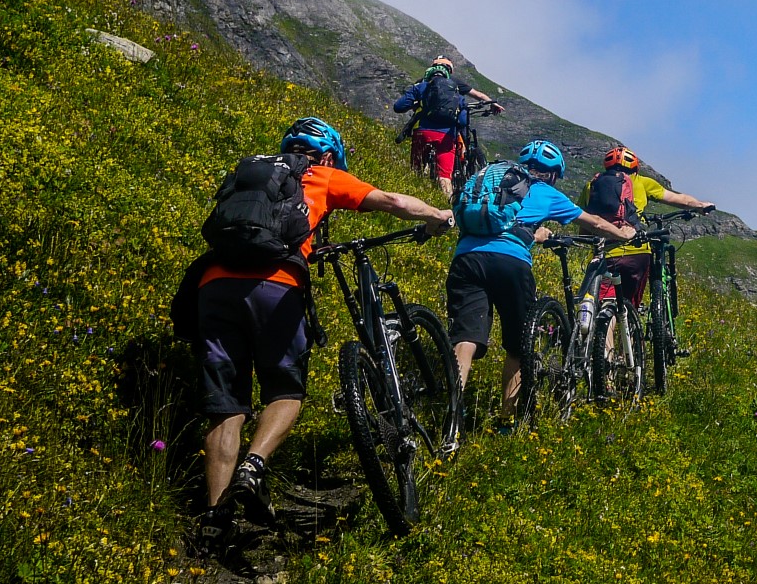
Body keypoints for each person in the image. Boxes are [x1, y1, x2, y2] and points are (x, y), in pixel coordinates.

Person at [195, 118, 452, 532]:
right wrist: (438, 215)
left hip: (213, 285)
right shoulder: (322, 174)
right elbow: (391, 200)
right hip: (275, 285)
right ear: (328, 154)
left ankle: (214, 518)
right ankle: (254, 467)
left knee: (226, 404)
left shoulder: (249, 171)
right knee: (285, 391)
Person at [444, 140, 633, 432]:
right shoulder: (544, 191)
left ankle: (452, 414)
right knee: (519, 344)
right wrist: (622, 234)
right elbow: (592, 221)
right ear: (553, 173)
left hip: (466, 258)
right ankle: (506, 421)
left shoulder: (493, 182)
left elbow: (509, 222)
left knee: (465, 338)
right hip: (511, 263)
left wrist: (536, 235)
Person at [583, 146, 713, 344]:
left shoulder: (592, 185)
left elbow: (583, 224)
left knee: (606, 308)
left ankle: (606, 367)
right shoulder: (641, 182)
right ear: (635, 169)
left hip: (606, 254)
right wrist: (700, 205)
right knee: (629, 309)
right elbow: (678, 199)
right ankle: (634, 360)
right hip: (638, 253)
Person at [392, 57, 502, 198]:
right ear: (449, 71)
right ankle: (447, 208)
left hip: (423, 133)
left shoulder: (420, 85)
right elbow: (462, 120)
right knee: (444, 177)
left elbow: (398, 107)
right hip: (445, 138)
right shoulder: (456, 91)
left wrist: (416, 104)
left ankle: (412, 199)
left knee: (416, 171)